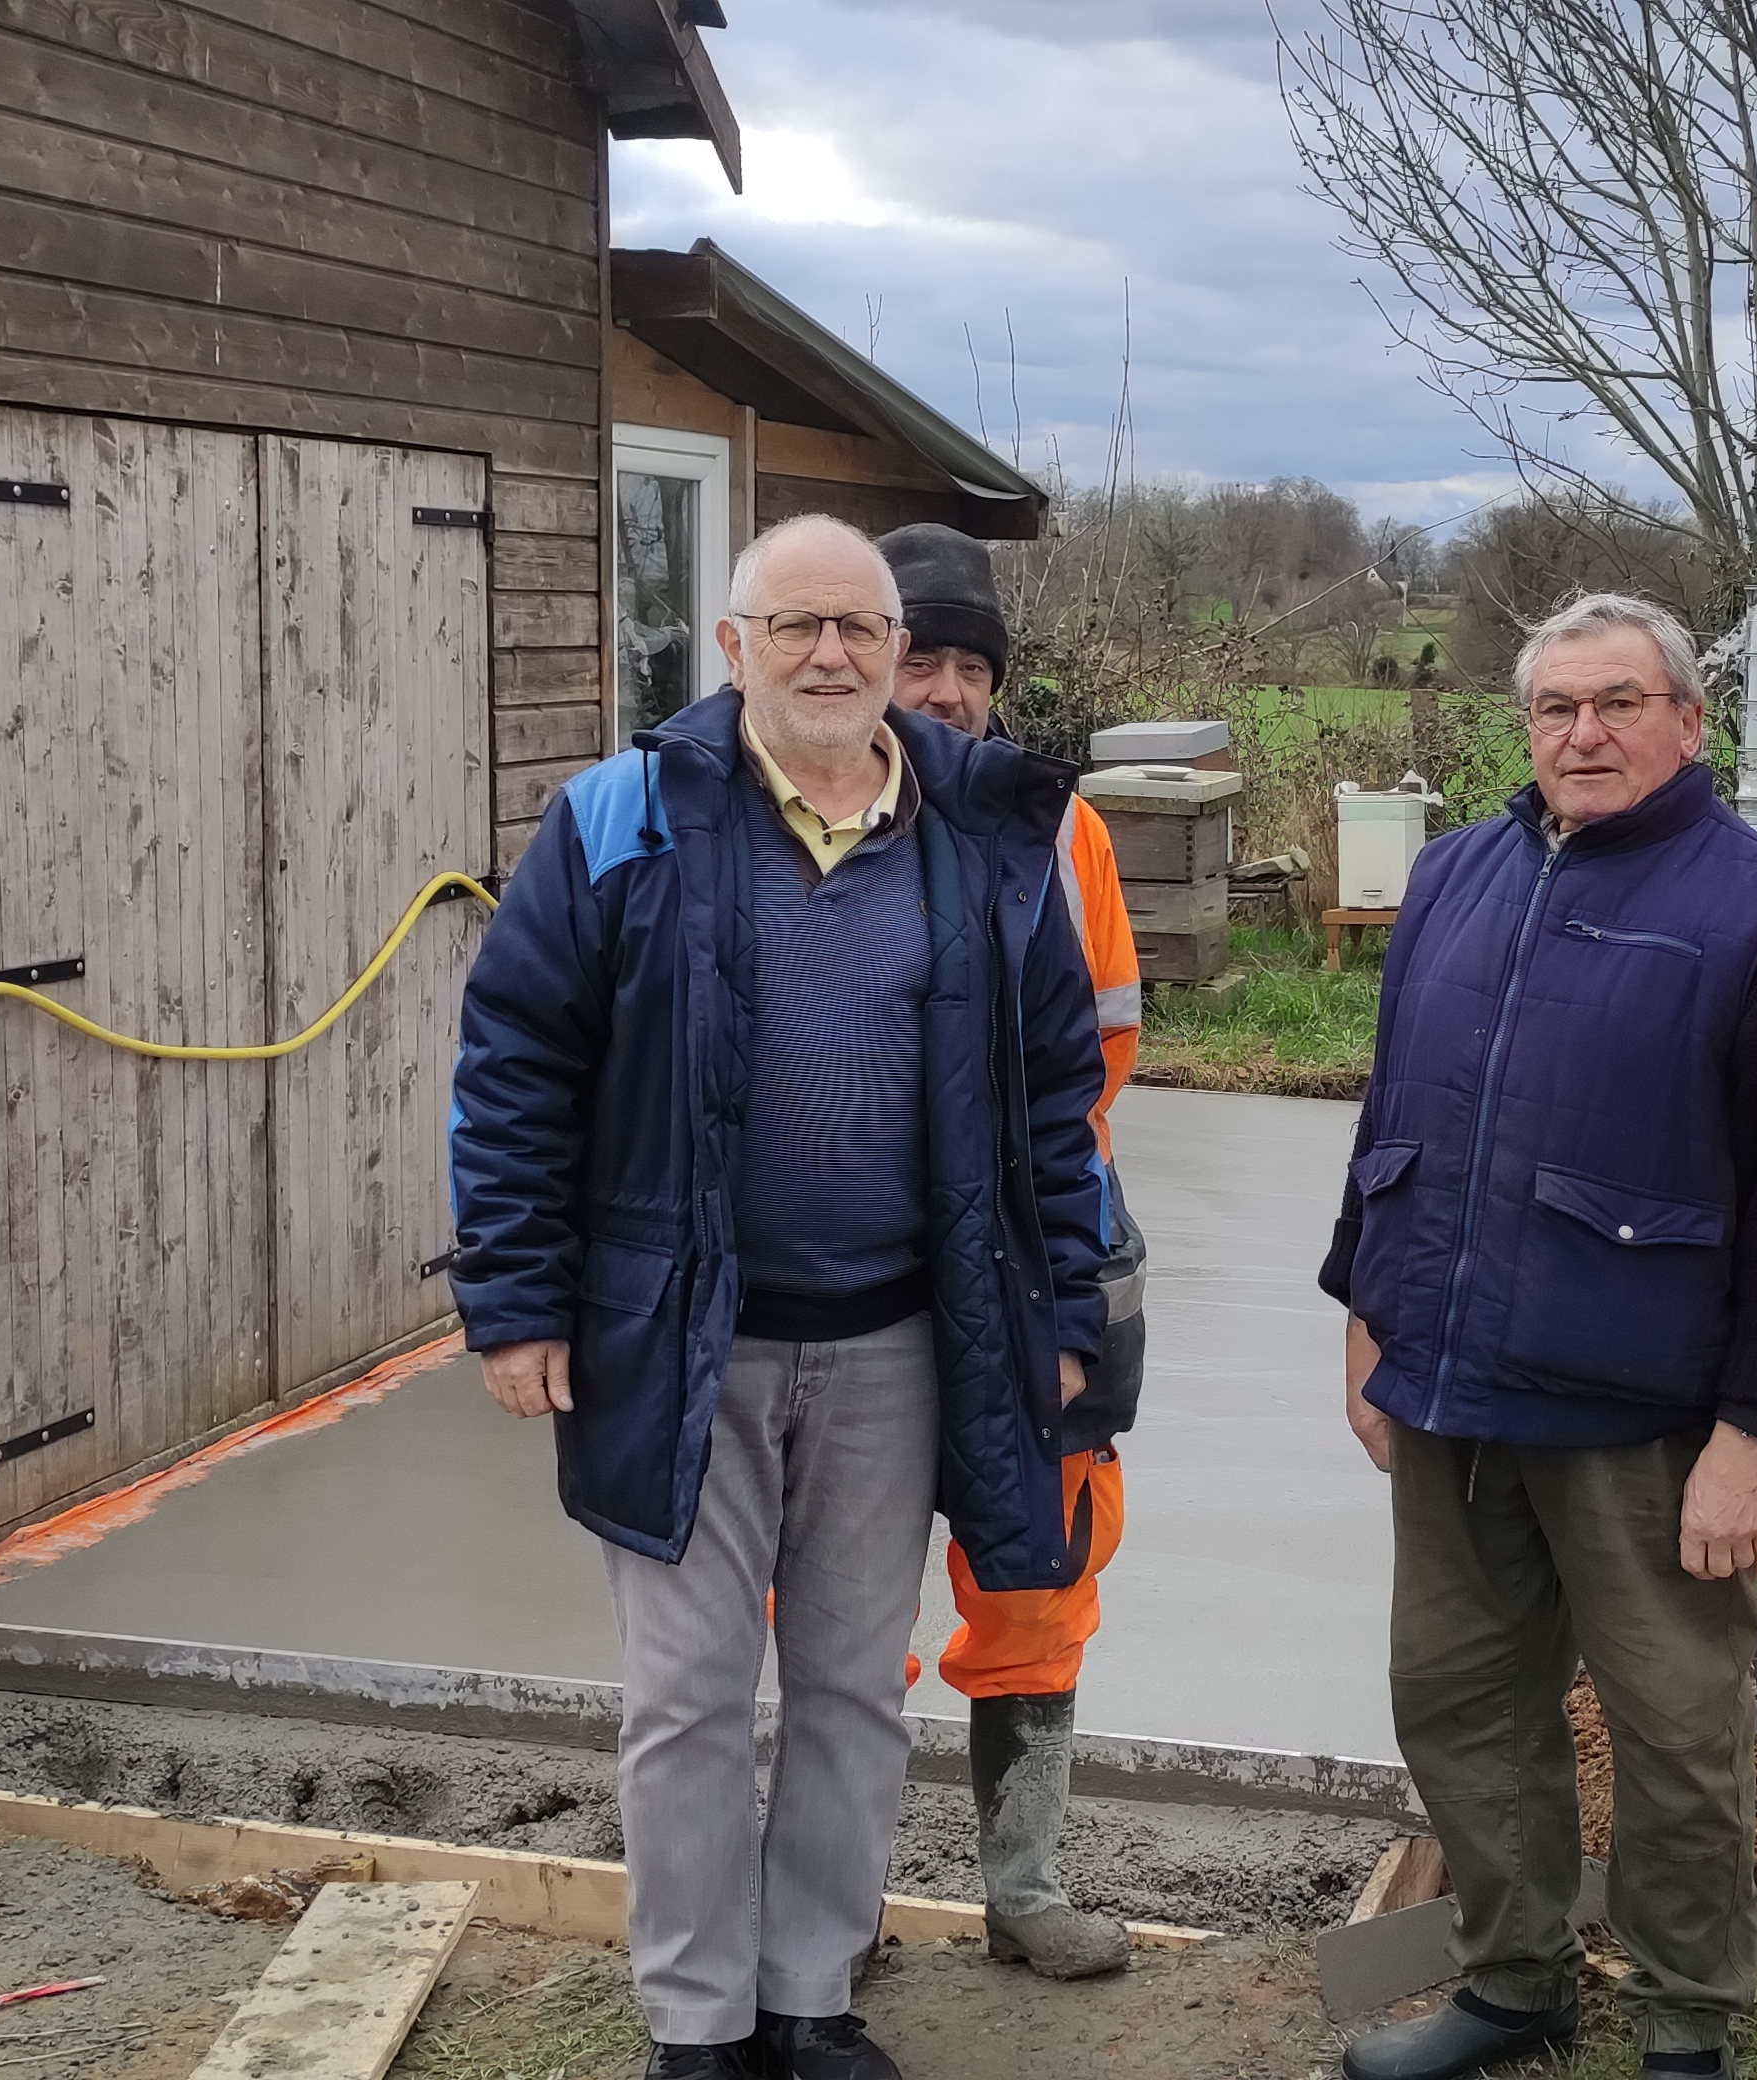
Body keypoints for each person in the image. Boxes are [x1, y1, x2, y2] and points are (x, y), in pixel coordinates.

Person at [447, 513, 1115, 2080]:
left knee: (845, 1690)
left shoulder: (988, 841)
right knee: (685, 1699)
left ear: (901, 659)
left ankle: (812, 1995)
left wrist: (1062, 1313)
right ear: (731, 647)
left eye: (861, 632)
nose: (832, 656)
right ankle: (701, 2021)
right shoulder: (624, 819)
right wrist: (517, 1299)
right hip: (676, 1342)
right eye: (795, 626)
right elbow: (517, 1066)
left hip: (896, 1344)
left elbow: (1051, 1102)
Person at [1320, 593, 1757, 2080]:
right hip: (1447, 1387)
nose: (1587, 733)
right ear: (1529, 727)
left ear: (1690, 723)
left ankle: (1692, 2028)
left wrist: (1756, 1431)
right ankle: (1514, 1985)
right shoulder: (1451, 878)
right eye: (1559, 708)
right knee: (1458, 1705)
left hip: (1647, 1419)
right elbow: (1398, 1115)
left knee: (1676, 1742)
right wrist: (1362, 1312)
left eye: (1621, 703)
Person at [874, 520, 1148, 1980]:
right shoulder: (779, 824)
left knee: (1041, 1574)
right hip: (846, 1294)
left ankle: (1022, 1886)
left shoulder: (1066, 832)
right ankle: (826, 1903)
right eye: (922, 653)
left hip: (1037, 1262)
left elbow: (1100, 1056)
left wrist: (1021, 1227)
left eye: (971, 663)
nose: (950, 689)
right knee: (827, 1601)